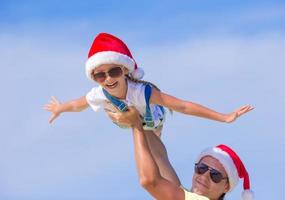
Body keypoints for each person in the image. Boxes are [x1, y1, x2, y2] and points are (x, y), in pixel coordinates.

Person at [44, 32, 253, 185]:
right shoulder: (99, 93)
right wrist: (60, 108)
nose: (108, 79)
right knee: (113, 113)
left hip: (153, 119)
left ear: (125, 70)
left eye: (114, 71)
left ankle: (178, 193)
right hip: (127, 118)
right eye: (100, 75)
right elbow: (77, 105)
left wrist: (224, 117)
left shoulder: (141, 92)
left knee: (158, 156)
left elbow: (183, 106)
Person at [107, 107, 254, 200]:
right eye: (201, 168)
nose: (204, 176)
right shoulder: (185, 195)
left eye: (215, 175)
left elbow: (149, 181)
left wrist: (136, 125)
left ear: (226, 187)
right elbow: (160, 157)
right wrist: (135, 109)